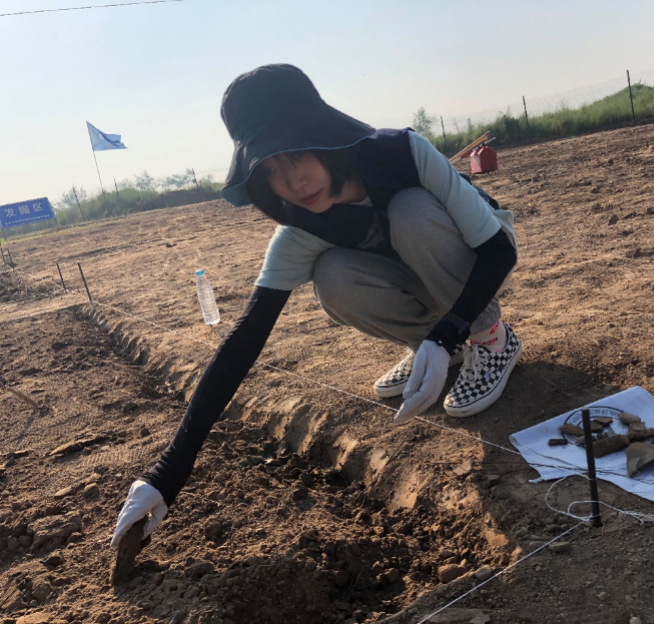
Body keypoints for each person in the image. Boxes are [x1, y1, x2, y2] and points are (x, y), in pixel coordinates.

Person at [111, 64, 522, 546]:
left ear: (324, 136)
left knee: (409, 211)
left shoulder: (402, 153)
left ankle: (490, 340)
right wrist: (167, 473)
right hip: (426, 289)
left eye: (296, 154)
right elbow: (244, 340)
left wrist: (452, 327)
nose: (293, 182)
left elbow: (498, 251)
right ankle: (432, 349)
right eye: (270, 169)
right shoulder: (301, 228)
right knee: (332, 276)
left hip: (476, 258)